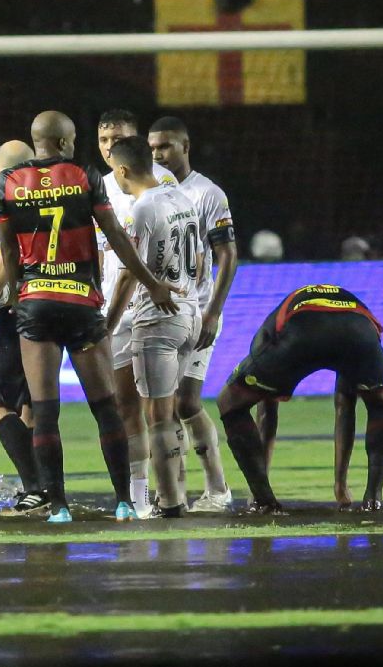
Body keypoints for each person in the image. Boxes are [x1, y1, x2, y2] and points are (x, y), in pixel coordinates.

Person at [0, 110, 179, 524]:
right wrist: (152, 283)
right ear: (62, 142)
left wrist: (15, 294)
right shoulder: (83, 174)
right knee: (106, 407)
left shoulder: (7, 181)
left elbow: (7, 251)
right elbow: (115, 235)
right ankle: (124, 502)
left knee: (44, 411)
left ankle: (57, 506)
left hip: (36, 302)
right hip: (80, 301)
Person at [215, 284, 383, 514]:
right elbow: (345, 407)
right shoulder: (353, 310)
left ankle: (265, 501)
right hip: (359, 331)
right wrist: (340, 484)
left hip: (301, 329)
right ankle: (373, 498)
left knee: (229, 402)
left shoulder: (269, 332)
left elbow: (267, 415)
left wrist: (260, 486)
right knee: (382, 405)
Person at [104, 137, 201, 518]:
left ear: (123, 170)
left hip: (157, 321)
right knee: (170, 411)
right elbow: (200, 256)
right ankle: (175, 492)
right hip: (188, 312)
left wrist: (109, 324)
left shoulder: (142, 209)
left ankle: (171, 502)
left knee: (158, 416)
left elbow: (129, 275)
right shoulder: (180, 198)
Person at [148, 116, 238, 513]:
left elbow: (228, 254)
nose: (157, 153)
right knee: (162, 406)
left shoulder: (207, 194)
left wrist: (213, 311)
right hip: (160, 314)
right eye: (152, 147)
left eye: (165, 146)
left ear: (186, 147)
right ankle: (175, 491)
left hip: (197, 312)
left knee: (186, 402)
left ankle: (217, 487)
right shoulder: (150, 191)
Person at [94, 109, 177, 518]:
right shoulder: (95, 187)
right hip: (112, 304)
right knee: (125, 404)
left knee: (162, 407)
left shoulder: (161, 185)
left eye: (117, 140)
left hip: (152, 307)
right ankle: (141, 497)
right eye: (103, 141)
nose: (109, 148)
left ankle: (172, 493)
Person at [0, 139, 46, 513]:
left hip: (17, 311)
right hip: (56, 303)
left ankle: (37, 488)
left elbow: (6, 256)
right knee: (31, 407)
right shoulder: (54, 199)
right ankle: (45, 489)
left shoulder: (0, 204)